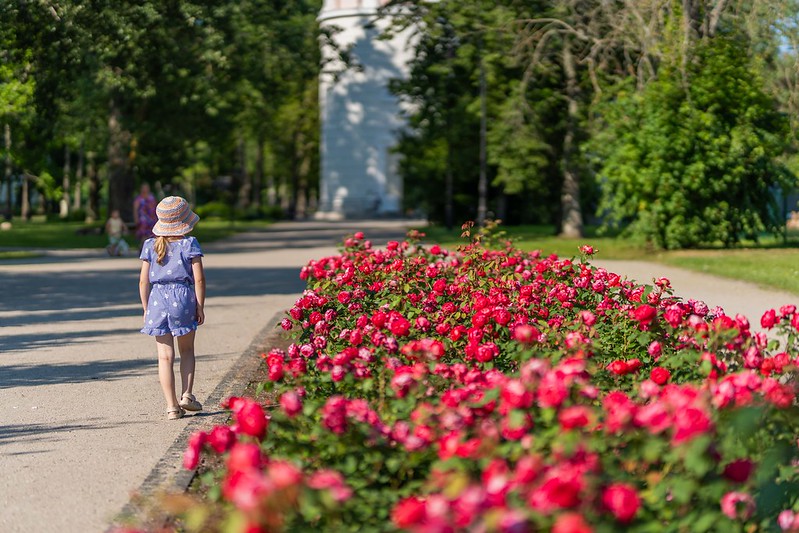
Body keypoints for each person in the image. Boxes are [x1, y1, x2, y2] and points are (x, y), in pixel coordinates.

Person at [138, 196, 206, 420]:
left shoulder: (150, 245)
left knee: (164, 357)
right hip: (183, 298)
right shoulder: (189, 244)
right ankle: (187, 395)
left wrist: (146, 308)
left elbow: (143, 281)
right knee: (187, 350)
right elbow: (199, 279)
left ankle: (172, 407)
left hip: (157, 300)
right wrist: (200, 306)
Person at [133, 183, 157, 250]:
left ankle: (151, 249)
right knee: (143, 234)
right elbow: (135, 209)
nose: (145, 189)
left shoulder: (152, 197)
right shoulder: (139, 198)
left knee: (152, 235)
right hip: (143, 220)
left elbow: (155, 206)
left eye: (146, 188)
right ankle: (143, 248)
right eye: (144, 188)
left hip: (152, 219)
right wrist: (136, 218)